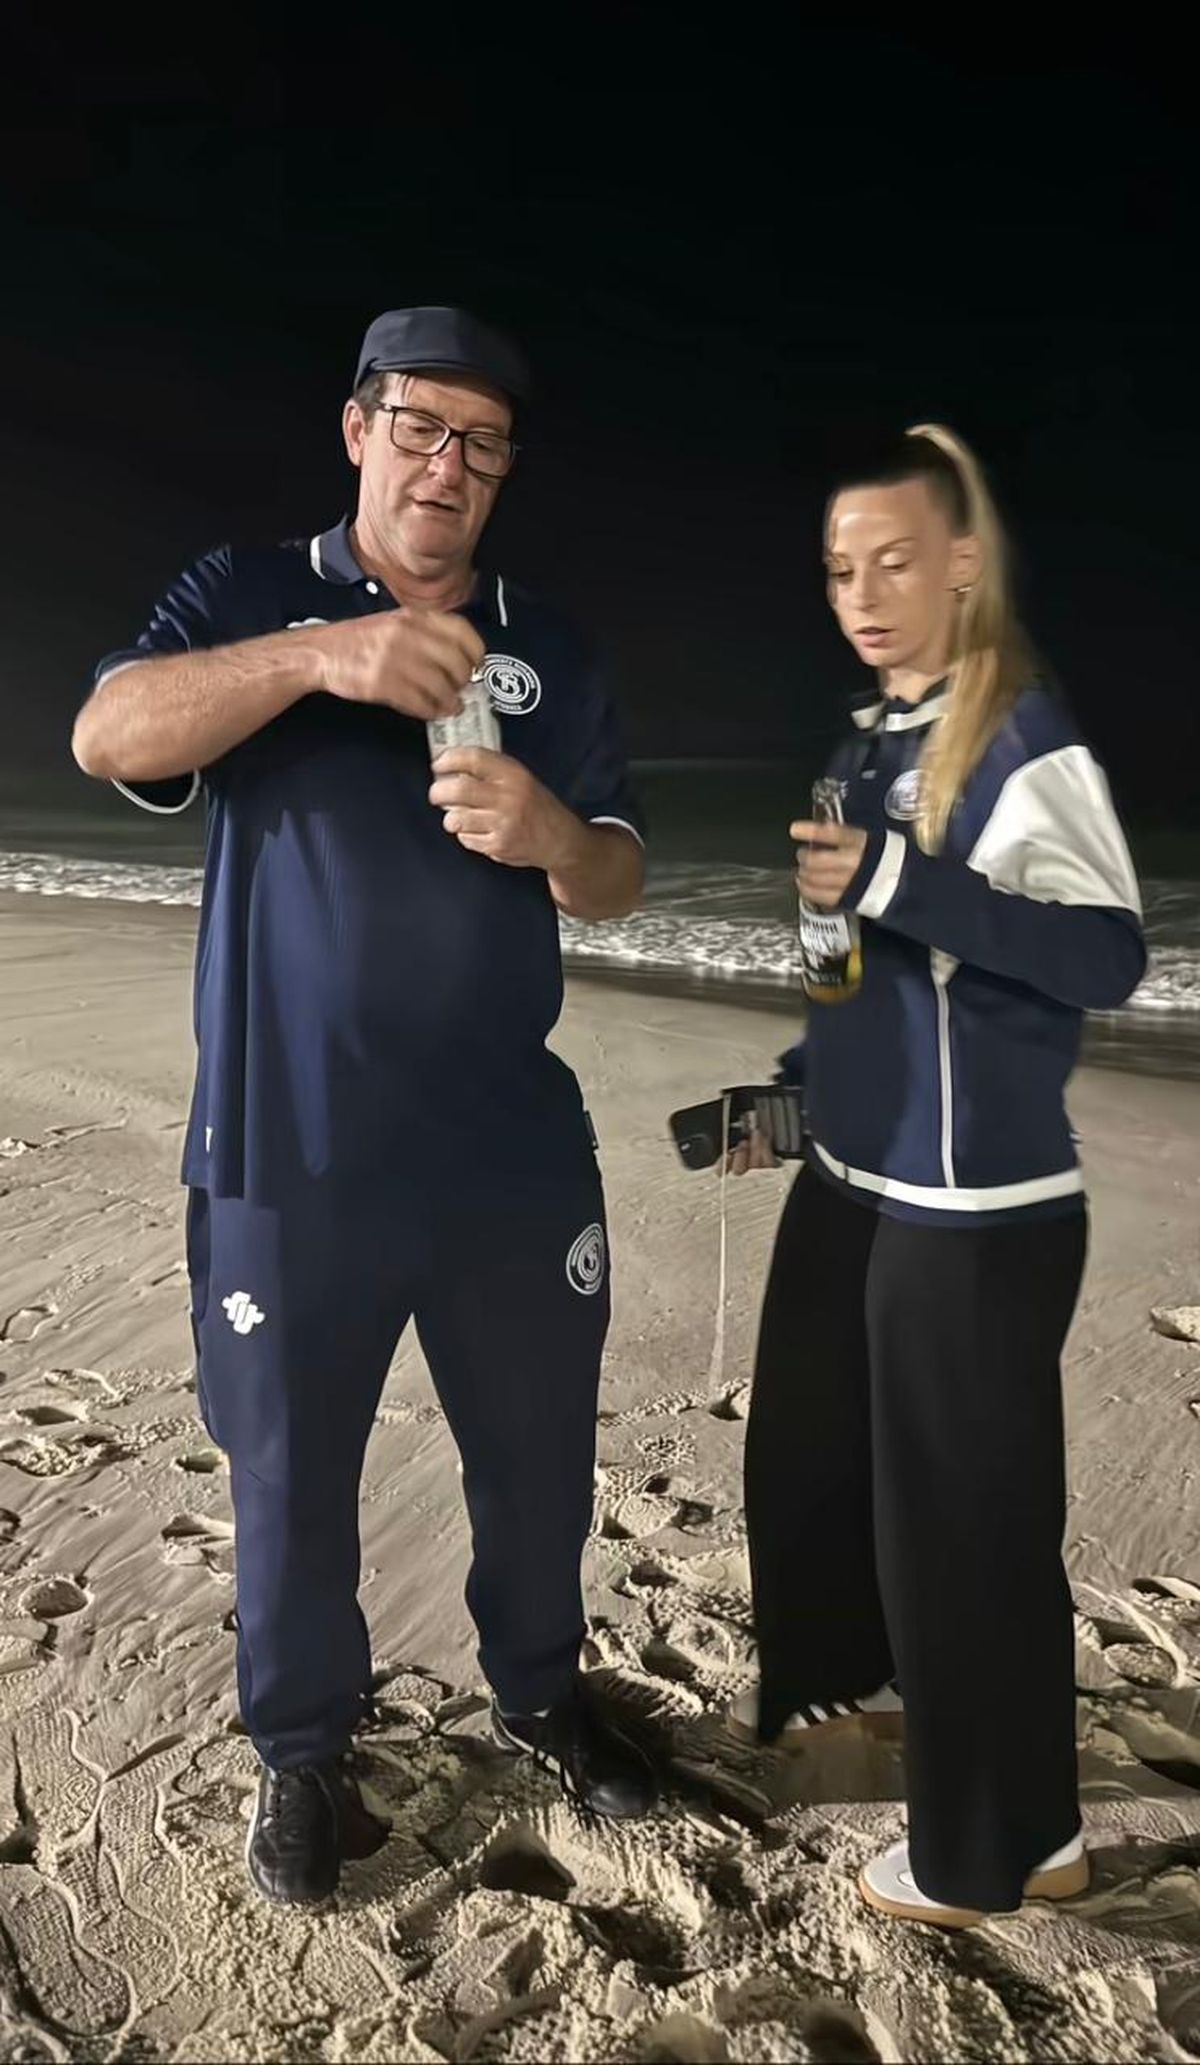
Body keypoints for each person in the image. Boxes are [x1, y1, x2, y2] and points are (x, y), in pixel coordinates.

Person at [72, 305, 658, 1906]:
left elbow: (619, 874)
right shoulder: (251, 591)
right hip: (290, 1142)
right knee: (289, 1471)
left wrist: (551, 832)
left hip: (509, 1149)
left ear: (504, 473)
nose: (446, 465)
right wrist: (323, 656)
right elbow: (108, 729)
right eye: (418, 426)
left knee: (540, 1453)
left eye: (480, 443)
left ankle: (542, 1693)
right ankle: (305, 1749)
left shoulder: (557, 646)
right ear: (358, 430)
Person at [729, 423, 1145, 1926]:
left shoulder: (1026, 739)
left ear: (965, 561)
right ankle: (976, 1778)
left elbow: (1108, 951)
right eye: (843, 566)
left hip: (981, 1212)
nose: (865, 589)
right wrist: (787, 1098)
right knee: (856, 1485)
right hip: (867, 1181)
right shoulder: (864, 744)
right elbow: (857, 974)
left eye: (897, 558)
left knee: (964, 1535)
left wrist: (905, 882)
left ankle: (988, 1852)